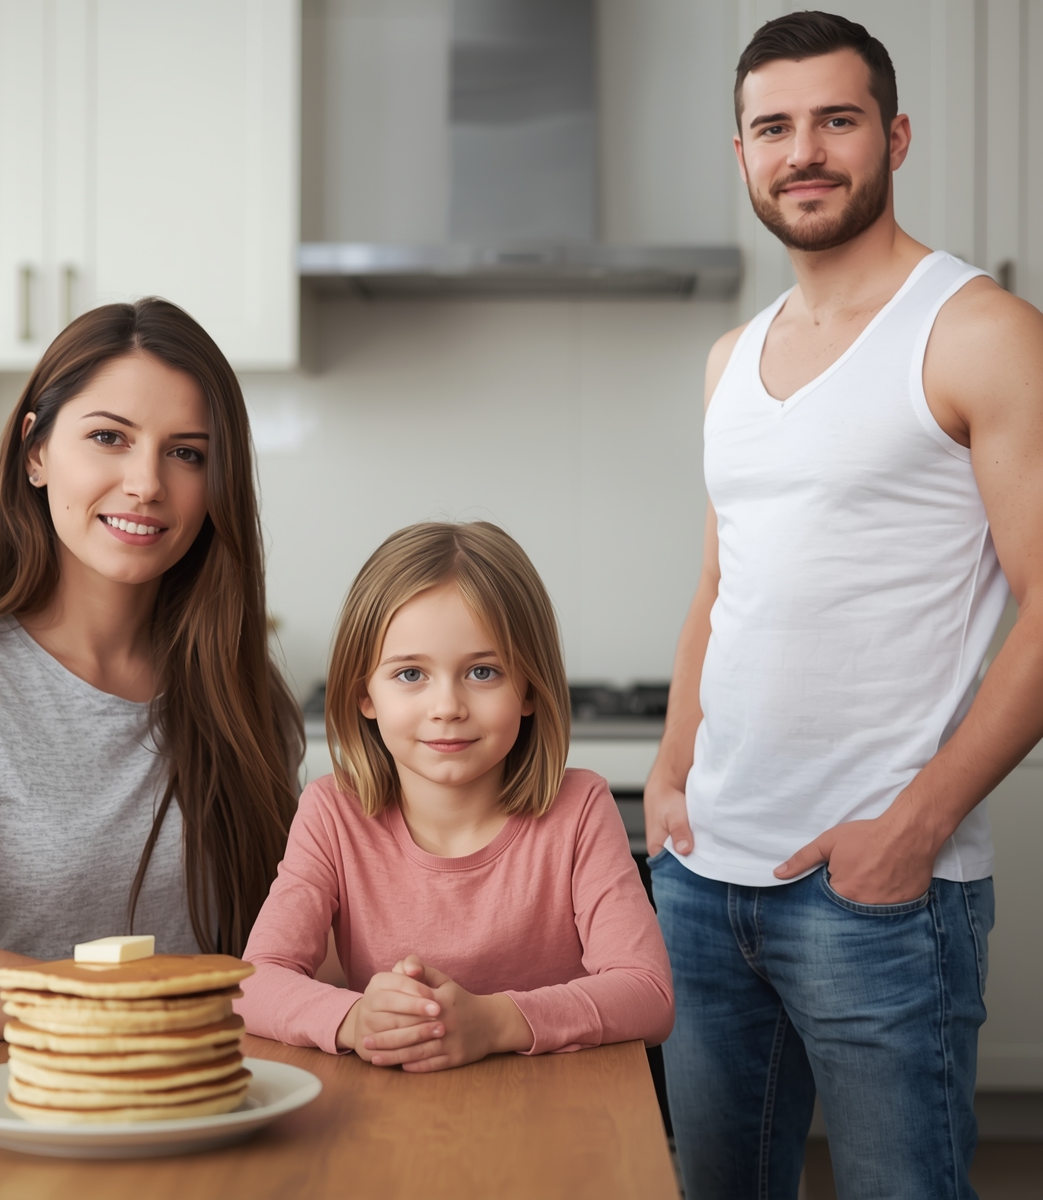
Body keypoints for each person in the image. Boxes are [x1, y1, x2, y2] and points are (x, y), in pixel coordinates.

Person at [643, 12, 1043, 1199]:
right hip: (708, 880)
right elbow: (720, 588)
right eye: (775, 126)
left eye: (836, 120)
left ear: (895, 136)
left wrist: (915, 829)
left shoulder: (979, 333)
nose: (803, 150)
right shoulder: (731, 357)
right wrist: (670, 775)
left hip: (873, 897)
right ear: (743, 156)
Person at [0, 299, 303, 1049]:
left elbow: (293, 957)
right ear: (34, 450)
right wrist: (173, 988)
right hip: (6, 1117)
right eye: (108, 438)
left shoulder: (247, 697)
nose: (146, 483)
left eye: (187, 452)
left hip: (209, 1106)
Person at [239, 521, 674, 1069]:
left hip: (559, 1116)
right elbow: (254, 984)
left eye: (483, 671)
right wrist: (355, 1019)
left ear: (530, 691)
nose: (447, 706)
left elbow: (649, 995)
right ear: (364, 695)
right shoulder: (331, 813)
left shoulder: (581, 809)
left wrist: (493, 1023)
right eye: (411, 674)